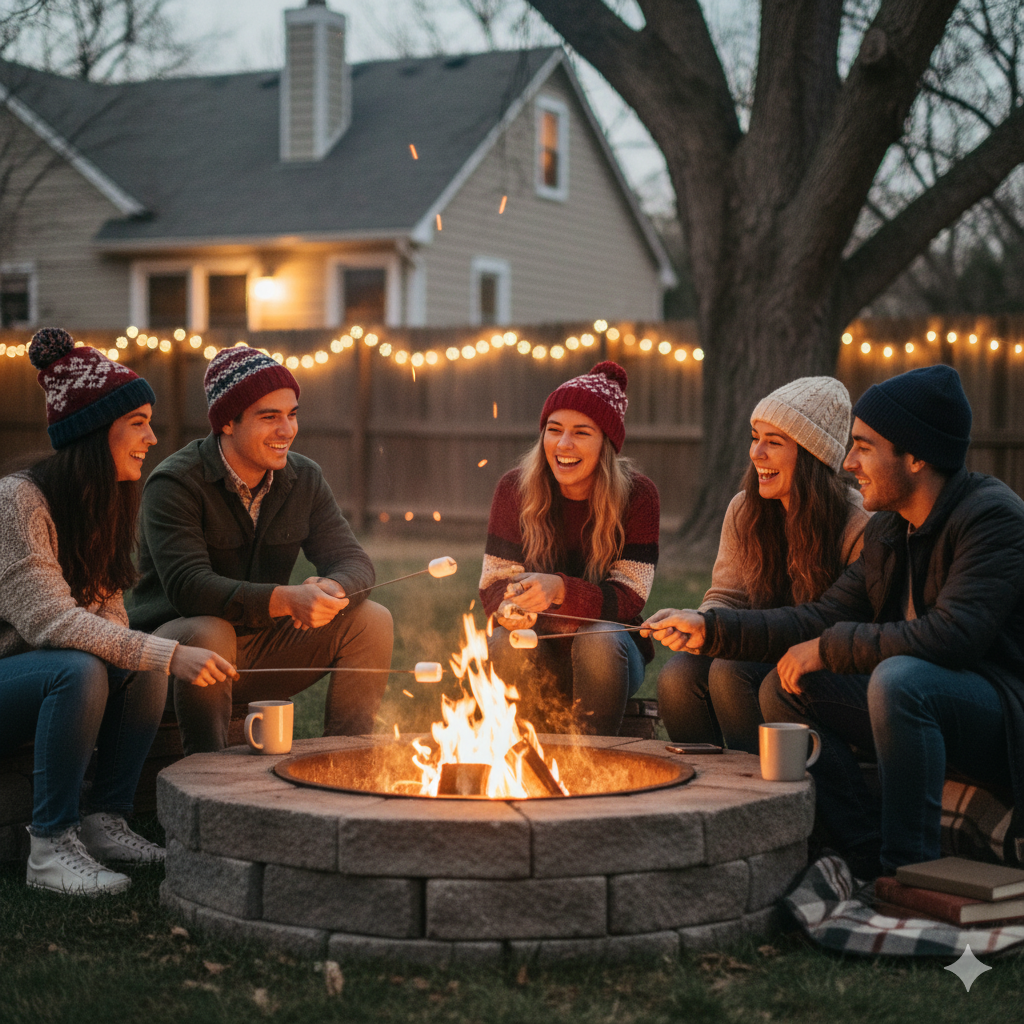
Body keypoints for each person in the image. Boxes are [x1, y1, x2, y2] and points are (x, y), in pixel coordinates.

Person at [645, 365, 1024, 877]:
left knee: (899, 679)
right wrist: (713, 629)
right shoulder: (891, 528)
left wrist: (828, 648)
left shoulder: (991, 517)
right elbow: (820, 616)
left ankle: (906, 870)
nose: (847, 463)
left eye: (864, 447)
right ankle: (856, 851)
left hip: (992, 713)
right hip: (912, 696)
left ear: (915, 457)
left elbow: (952, 637)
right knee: (785, 686)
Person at [0, 328, 234, 895]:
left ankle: (104, 821)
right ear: (93, 431)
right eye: (138, 423)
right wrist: (168, 651)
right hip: (17, 672)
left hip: (43, 674)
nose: (152, 437)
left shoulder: (103, 502)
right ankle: (50, 847)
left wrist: (152, 659)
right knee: (79, 667)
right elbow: (50, 622)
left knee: (138, 664)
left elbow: (109, 618)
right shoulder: (17, 500)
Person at [128, 345, 393, 755]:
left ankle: (346, 758)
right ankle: (207, 779)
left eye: (292, 414)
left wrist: (335, 589)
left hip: (263, 651)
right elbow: (190, 589)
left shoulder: (303, 477)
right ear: (227, 424)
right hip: (174, 659)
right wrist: (287, 599)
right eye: (269, 417)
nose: (287, 429)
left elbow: (353, 560)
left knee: (371, 619)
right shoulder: (175, 484)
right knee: (209, 631)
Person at [658, 377, 868, 752]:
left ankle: (758, 794)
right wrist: (703, 624)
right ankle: (705, 790)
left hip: (816, 658)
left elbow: (843, 623)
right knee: (677, 676)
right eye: (755, 437)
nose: (757, 453)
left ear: (812, 455)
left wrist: (720, 630)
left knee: (728, 672)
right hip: (751, 639)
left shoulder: (855, 524)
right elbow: (727, 595)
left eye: (774, 442)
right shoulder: (745, 509)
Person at [480, 361, 660, 735]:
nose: (563, 444)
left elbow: (628, 598)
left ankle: (591, 763)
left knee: (597, 638)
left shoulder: (638, 496)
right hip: (537, 643)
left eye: (581, 432)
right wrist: (511, 606)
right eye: (554, 429)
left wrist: (559, 590)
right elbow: (495, 583)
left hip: (610, 653)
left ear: (606, 443)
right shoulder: (515, 489)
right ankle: (528, 761)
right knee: (505, 642)